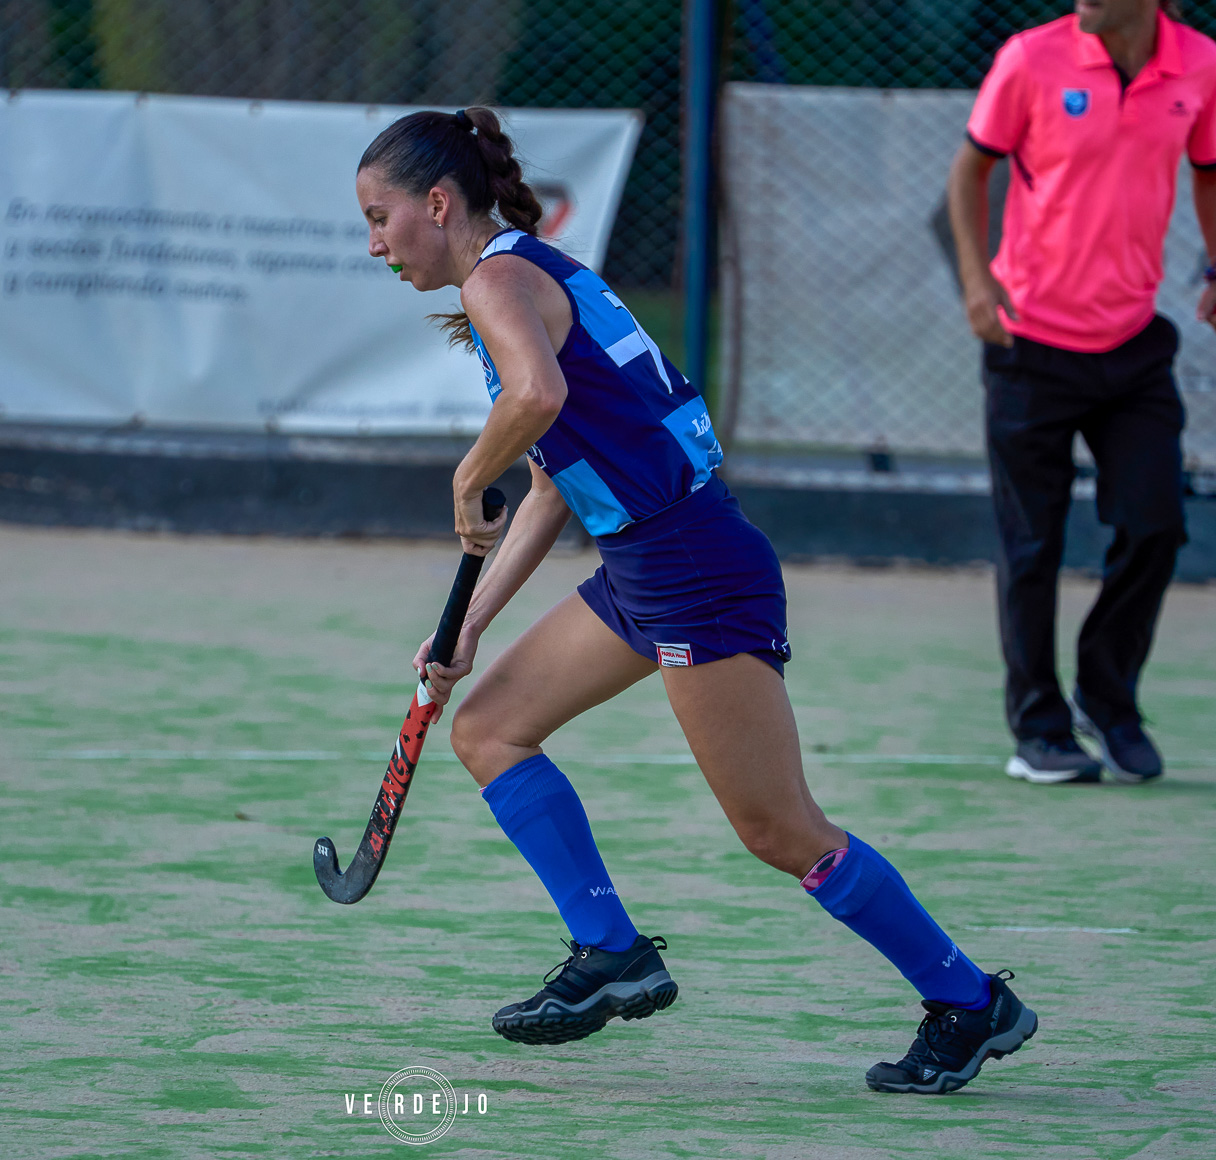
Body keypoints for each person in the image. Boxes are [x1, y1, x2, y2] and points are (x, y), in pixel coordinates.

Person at [354, 106, 1038, 1093]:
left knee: (778, 827)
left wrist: (466, 479)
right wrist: (466, 622)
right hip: (644, 564)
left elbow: (534, 400)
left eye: (381, 218)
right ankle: (612, 953)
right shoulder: (529, 274)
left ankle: (970, 1000)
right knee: (490, 725)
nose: (376, 244)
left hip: (691, 565)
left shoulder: (502, 278)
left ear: (437, 201)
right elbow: (553, 481)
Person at [946, 0, 1216, 787]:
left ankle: (1110, 693)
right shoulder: (1032, 58)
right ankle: (1041, 729)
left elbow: (1209, 171)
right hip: (1030, 343)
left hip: (1135, 345)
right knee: (1033, 545)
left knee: (1155, 526)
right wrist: (979, 283)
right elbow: (970, 171)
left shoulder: (1201, 67)